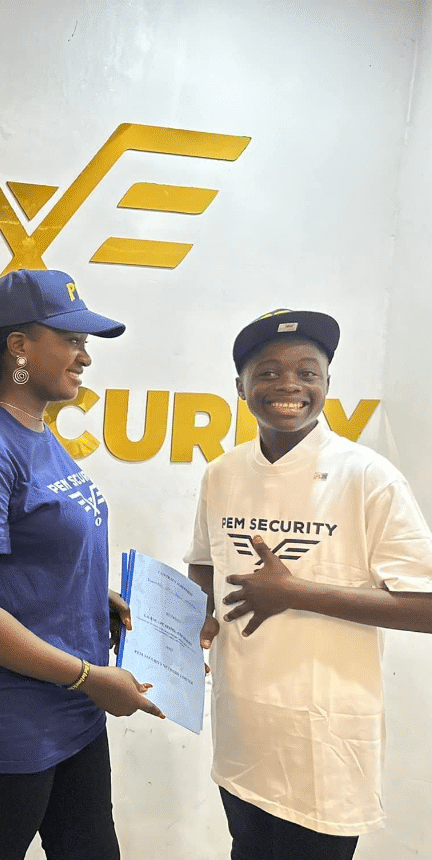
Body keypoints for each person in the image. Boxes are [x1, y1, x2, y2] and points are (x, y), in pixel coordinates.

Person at [0, 268, 164, 860]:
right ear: (18, 346)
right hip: (4, 719)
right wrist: (90, 678)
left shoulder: (35, 430)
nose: (85, 357)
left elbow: (35, 551)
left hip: (70, 706)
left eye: (84, 343)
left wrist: (88, 597)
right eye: (71, 340)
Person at [185, 308, 432, 860]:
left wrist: (296, 594)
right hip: (243, 732)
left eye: (307, 371)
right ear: (241, 387)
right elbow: (204, 562)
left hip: (327, 746)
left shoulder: (367, 476)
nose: (289, 385)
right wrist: (200, 616)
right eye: (268, 372)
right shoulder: (222, 473)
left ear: (326, 383)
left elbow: (426, 607)